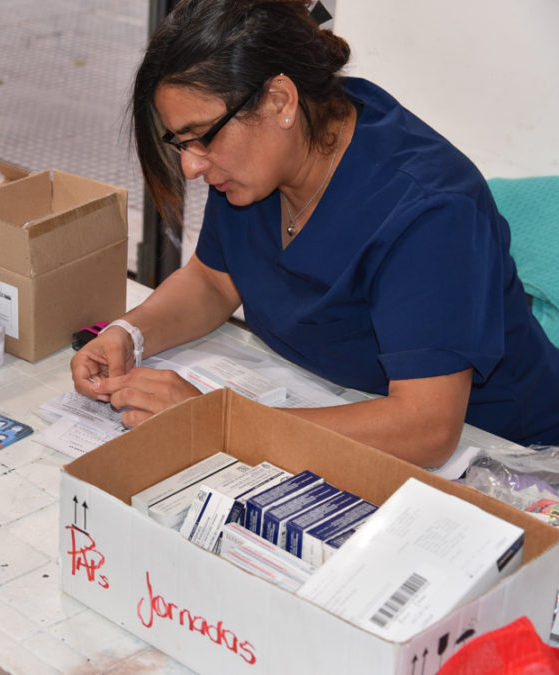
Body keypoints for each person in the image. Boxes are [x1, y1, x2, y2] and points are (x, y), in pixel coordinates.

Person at [71, 0, 559, 468]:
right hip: (334, 401)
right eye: (180, 142)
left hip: (505, 458)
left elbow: (426, 428)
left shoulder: (427, 211)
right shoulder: (257, 166)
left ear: (280, 101)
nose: (192, 165)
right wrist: (129, 333)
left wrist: (220, 423)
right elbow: (214, 281)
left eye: (203, 136)